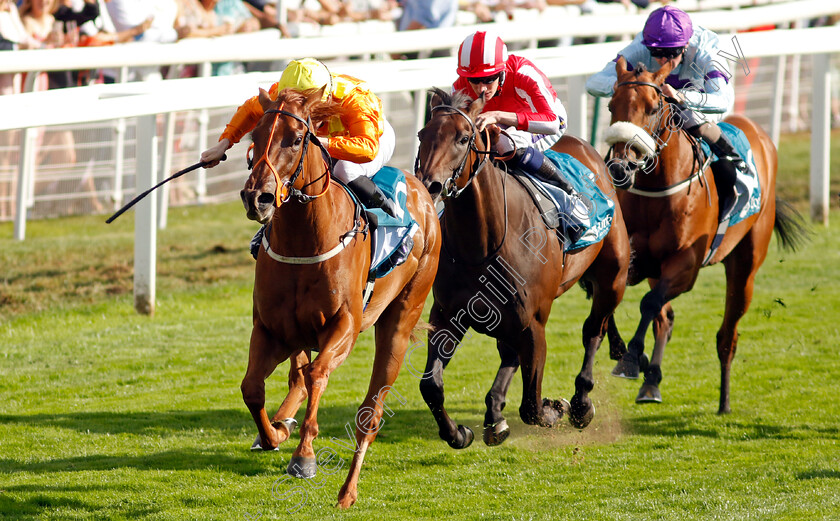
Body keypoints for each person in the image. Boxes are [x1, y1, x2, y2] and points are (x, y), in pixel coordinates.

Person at [586, 5, 745, 220]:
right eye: (657, 54)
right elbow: (593, 83)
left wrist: (681, 97)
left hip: (697, 102)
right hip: (654, 103)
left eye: (670, 54)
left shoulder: (708, 50)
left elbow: (723, 100)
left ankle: (734, 164)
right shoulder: (641, 45)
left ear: (686, 45)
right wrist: (625, 84)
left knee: (689, 118)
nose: (662, 60)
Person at [201, 57, 399, 220]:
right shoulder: (283, 94)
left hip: (373, 139)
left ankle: (389, 218)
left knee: (344, 170)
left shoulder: (355, 100)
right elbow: (249, 110)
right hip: (319, 140)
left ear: (324, 97)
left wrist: (316, 142)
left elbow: (367, 148)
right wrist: (223, 144)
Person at [452, 30, 577, 199]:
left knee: (506, 142)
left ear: (501, 70)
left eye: (489, 79)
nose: (481, 88)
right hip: (501, 124)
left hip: (544, 120)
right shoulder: (460, 86)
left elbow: (552, 122)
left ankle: (567, 191)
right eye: (474, 80)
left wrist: (498, 116)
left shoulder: (523, 72)